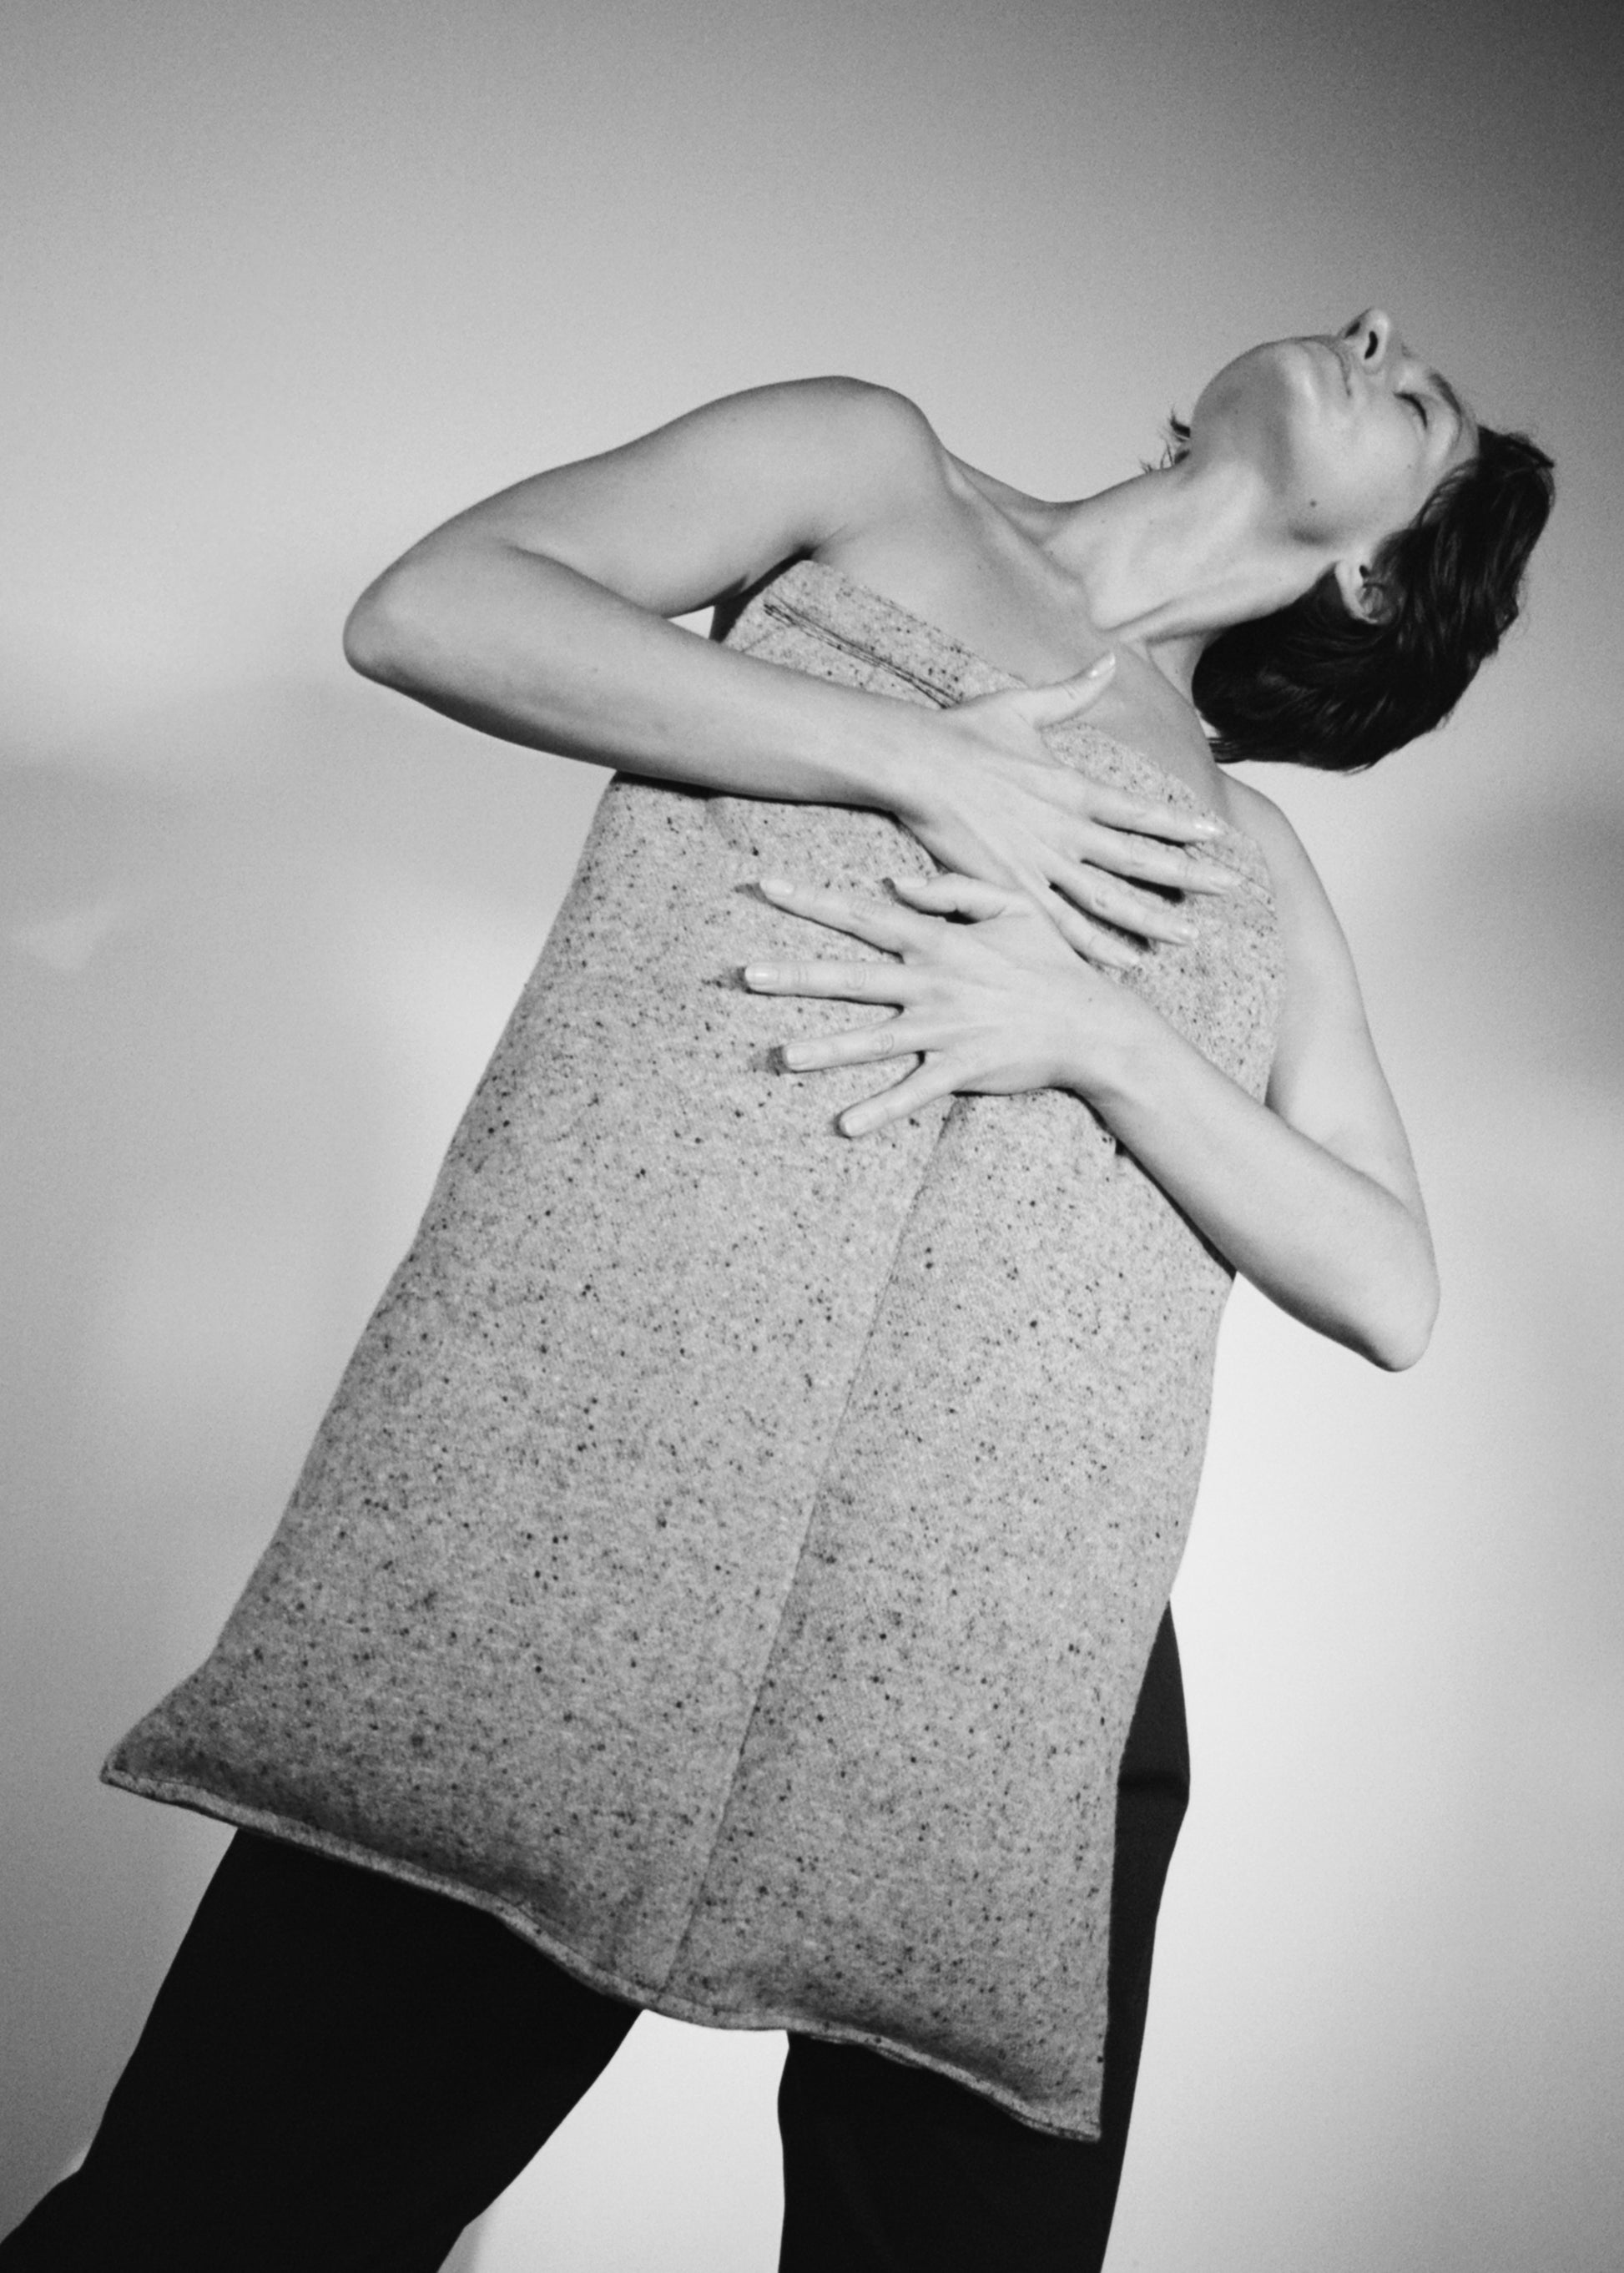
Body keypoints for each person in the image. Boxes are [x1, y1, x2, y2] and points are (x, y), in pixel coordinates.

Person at [3, 310, 1552, 2272]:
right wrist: (923, 762)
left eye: (1418, 403)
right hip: (621, 1502)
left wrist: (1099, 1036)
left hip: (1028, 1631)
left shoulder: (1254, 855)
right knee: (226, 2218)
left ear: (1380, 573)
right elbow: (437, 608)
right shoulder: (869, 466)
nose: (1377, 335)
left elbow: (1390, 1283)